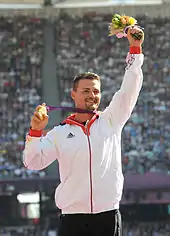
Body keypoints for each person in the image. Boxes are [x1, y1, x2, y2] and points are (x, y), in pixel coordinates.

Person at [23, 26, 144, 236]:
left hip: (108, 216)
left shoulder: (111, 120)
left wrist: (135, 50)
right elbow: (32, 162)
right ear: (73, 94)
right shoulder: (59, 133)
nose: (92, 95)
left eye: (96, 91)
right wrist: (35, 132)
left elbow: (129, 90)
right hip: (73, 219)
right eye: (86, 90)